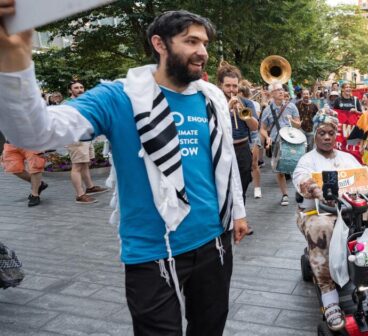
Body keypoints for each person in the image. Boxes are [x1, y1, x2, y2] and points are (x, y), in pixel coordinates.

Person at [0, 9, 250, 335]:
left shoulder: (210, 97)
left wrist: (238, 214)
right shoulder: (118, 97)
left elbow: (225, 161)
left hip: (214, 242)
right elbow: (34, 134)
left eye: (204, 42)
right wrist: (15, 59)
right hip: (152, 253)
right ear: (159, 43)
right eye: (191, 41)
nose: (202, 51)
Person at [293, 110, 368, 331]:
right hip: (317, 213)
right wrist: (316, 189)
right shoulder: (307, 160)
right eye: (322, 133)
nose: (326, 137)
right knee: (322, 227)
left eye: (330, 133)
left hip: (351, 212)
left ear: (336, 135)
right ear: (315, 134)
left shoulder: (347, 158)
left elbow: (365, 179)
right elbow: (302, 180)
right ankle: (329, 295)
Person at [217, 62, 259, 203]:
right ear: (220, 85)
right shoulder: (215, 103)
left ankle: (240, 219)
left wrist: (244, 114)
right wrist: (227, 110)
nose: (231, 90)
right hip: (223, 148)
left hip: (242, 149)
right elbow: (214, 125)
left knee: (242, 185)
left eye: (234, 86)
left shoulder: (246, 103)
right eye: (227, 86)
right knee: (223, 187)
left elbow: (254, 127)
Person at [65, 80, 109, 204]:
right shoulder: (68, 104)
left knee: (85, 164)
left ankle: (90, 187)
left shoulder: (83, 102)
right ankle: (80, 195)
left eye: (81, 87)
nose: (80, 89)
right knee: (77, 166)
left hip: (86, 138)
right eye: (76, 87)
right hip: (76, 139)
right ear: (70, 90)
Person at [261, 82, 301, 206]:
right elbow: (262, 128)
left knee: (295, 168)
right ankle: (285, 194)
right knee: (280, 170)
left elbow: (298, 125)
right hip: (276, 142)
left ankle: (300, 191)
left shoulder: (291, 106)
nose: (281, 91)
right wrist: (267, 137)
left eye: (282, 89)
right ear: (272, 94)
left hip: (291, 140)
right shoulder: (268, 109)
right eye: (278, 90)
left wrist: (292, 121)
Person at [238, 80, 264, 199]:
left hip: (252, 136)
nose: (238, 96)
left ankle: (257, 187)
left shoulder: (252, 103)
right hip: (239, 137)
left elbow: (256, 122)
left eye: (240, 93)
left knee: (254, 164)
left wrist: (242, 109)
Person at [1, 143, 48, 207]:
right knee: (13, 168)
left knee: (36, 166)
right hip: (11, 143)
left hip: (31, 142)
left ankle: (35, 195)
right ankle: (39, 184)